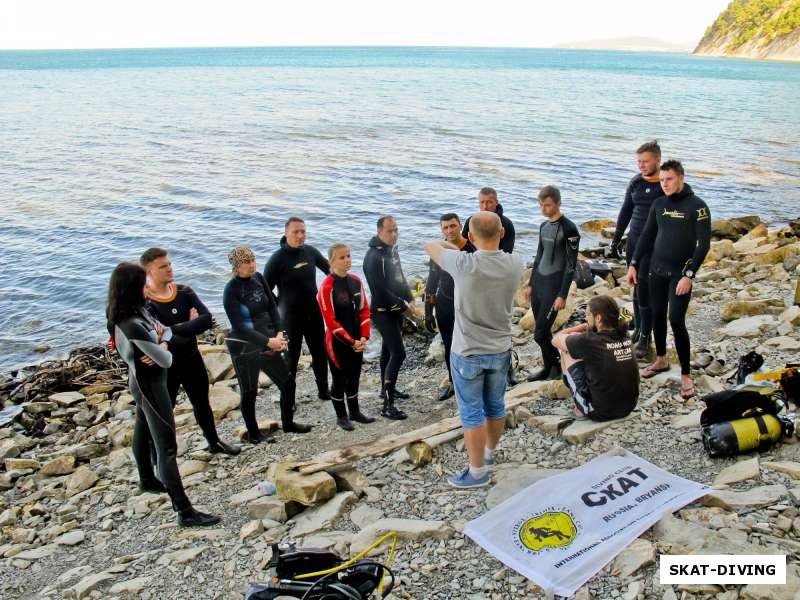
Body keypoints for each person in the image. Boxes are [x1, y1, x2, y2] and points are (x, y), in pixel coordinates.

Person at [107, 262, 219, 527]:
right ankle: (185, 511)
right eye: (142, 283)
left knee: (142, 424)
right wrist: (161, 343)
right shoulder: (130, 322)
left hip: (147, 382)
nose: (147, 288)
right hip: (149, 386)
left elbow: (165, 331)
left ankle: (146, 479)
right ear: (132, 288)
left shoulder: (138, 311)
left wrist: (161, 339)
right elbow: (166, 359)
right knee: (167, 447)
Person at [426, 211, 524, 488]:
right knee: (495, 405)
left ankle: (477, 472)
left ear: (469, 236)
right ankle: (489, 454)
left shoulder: (462, 263)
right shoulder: (515, 263)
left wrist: (454, 242)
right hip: (500, 349)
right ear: (502, 233)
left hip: (467, 351)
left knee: (471, 411)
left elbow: (431, 247)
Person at [141, 248, 240, 456]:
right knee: (163, 411)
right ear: (149, 272)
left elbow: (206, 319)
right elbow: (155, 337)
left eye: (169, 264)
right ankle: (160, 454)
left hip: (191, 359)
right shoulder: (147, 303)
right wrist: (189, 324)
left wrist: (172, 330)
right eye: (163, 266)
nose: (169, 269)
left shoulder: (184, 291)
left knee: (202, 402)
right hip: (166, 365)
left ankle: (214, 442)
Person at [627, 160, 711, 399]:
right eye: (662, 180)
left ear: (681, 178)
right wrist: (634, 263)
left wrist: (689, 275)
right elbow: (646, 235)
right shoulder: (659, 204)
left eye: (669, 179)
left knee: (676, 318)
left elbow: (703, 245)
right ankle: (661, 359)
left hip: (680, 273)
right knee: (655, 314)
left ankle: (686, 374)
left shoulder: (698, 207)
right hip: (656, 269)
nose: (664, 184)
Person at [223, 246, 312, 441]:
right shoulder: (231, 290)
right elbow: (240, 326)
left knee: (288, 383)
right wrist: (268, 341)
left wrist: (280, 333)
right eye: (247, 262)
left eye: (253, 259)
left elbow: (272, 306)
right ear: (237, 266)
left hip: (270, 340)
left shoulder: (259, 278)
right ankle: (254, 434)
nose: (252, 264)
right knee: (249, 391)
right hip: (245, 346)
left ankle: (288, 424)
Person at [607, 140, 665, 359]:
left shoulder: (665, 184)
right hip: (634, 241)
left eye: (646, 161)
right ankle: (639, 328)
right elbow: (625, 211)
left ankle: (645, 338)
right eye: (639, 161)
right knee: (635, 286)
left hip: (655, 244)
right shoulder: (635, 183)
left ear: (657, 160)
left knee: (645, 290)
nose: (641, 165)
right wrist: (615, 239)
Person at [264, 217, 331, 400]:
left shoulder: (310, 252)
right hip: (289, 318)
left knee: (319, 352)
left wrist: (333, 294)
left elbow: (330, 270)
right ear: (286, 234)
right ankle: (289, 399)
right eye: (296, 232)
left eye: (303, 231)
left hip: (313, 312)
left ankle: (324, 391)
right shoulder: (277, 259)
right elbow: (264, 289)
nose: (300, 236)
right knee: (291, 359)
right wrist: (278, 306)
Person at [461, 187, 519, 386]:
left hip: (499, 282)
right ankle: (478, 365)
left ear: (496, 202)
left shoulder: (507, 225)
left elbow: (506, 256)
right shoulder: (471, 222)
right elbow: (465, 250)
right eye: (482, 203)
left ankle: (508, 368)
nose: (485, 206)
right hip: (476, 279)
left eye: (489, 202)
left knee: (502, 325)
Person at [317, 244, 376, 430]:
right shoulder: (327, 287)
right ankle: (341, 417)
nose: (347, 260)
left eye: (349, 256)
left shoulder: (356, 281)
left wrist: (364, 338)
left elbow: (364, 311)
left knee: (355, 376)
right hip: (337, 342)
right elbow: (331, 321)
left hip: (358, 340)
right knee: (340, 379)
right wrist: (352, 342)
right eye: (342, 257)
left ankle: (355, 412)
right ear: (331, 261)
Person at [552, 295, 639, 421]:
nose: (585, 318)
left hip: (601, 412)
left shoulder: (590, 341)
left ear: (598, 318)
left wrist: (582, 327)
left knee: (567, 351)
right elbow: (626, 315)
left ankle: (581, 408)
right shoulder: (624, 333)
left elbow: (556, 339)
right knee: (585, 351)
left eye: (588, 315)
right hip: (628, 407)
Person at [526, 185, 580, 382]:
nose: (543, 209)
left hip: (554, 288)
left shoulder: (570, 229)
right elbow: (539, 255)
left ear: (558, 203)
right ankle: (549, 368)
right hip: (539, 284)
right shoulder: (543, 226)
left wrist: (562, 295)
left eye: (547, 205)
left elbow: (571, 265)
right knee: (543, 331)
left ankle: (556, 364)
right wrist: (530, 284)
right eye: (541, 205)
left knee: (539, 334)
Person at [363, 215, 414, 419]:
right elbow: (379, 291)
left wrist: (409, 297)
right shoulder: (373, 257)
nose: (394, 235)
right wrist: (403, 305)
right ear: (379, 232)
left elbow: (399, 276)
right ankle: (387, 406)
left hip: (394, 309)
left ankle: (387, 391)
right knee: (398, 353)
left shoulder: (392, 251)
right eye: (389, 231)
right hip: (382, 311)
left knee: (387, 350)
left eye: (396, 230)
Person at [425, 213, 476, 401]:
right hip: (445, 303)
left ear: (460, 226)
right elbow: (432, 280)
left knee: (470, 345)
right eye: (445, 227)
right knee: (449, 345)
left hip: (468, 305)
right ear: (441, 230)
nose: (449, 231)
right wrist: (427, 312)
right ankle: (454, 383)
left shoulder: (471, 248)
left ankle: (472, 381)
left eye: (453, 226)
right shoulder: (439, 251)